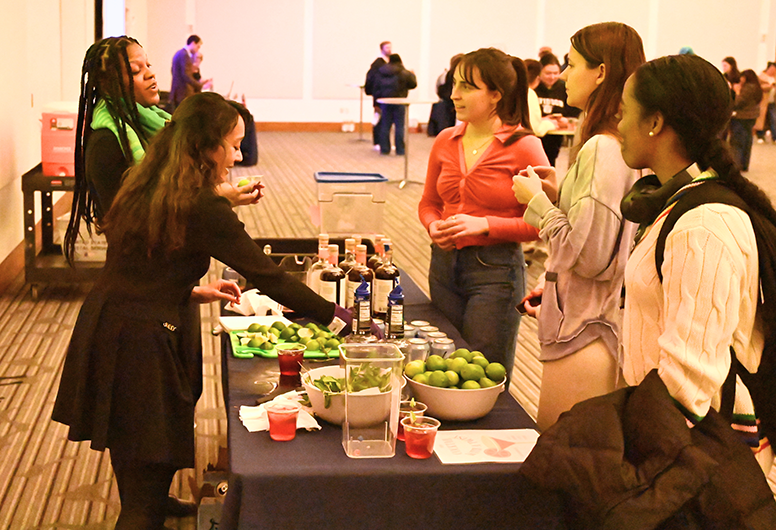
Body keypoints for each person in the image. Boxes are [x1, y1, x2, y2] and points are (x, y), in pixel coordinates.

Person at [52, 92, 355, 529]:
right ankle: (143, 508)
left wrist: (190, 290)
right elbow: (267, 275)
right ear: (206, 145)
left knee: (138, 440)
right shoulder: (200, 202)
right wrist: (336, 317)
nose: (236, 155)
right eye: (232, 145)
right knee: (143, 445)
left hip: (116, 317)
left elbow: (140, 258)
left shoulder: (150, 177)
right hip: (137, 336)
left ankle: (150, 499)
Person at [618, 53, 776, 475]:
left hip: (697, 458)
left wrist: (630, 451)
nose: (617, 125)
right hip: (671, 441)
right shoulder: (678, 204)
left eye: (624, 113)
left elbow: (689, 381)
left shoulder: (703, 224)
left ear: (654, 123)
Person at [512, 22, 645, 431]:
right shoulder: (620, 142)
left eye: (571, 65)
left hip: (588, 328)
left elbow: (587, 257)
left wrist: (536, 203)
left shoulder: (603, 148)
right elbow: (604, 234)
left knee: (561, 460)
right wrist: (561, 196)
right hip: (602, 320)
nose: (564, 75)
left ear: (601, 72)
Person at [418, 48, 556, 381]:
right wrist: (433, 225)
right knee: (443, 368)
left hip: (494, 273)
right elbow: (428, 203)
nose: (454, 95)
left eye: (466, 86)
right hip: (443, 266)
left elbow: (544, 223)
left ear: (495, 95)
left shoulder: (524, 146)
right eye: (454, 84)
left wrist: (485, 226)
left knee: (482, 376)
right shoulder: (445, 141)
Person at [65, 36, 259, 265]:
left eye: (148, 65)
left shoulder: (157, 124)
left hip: (171, 279)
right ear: (111, 83)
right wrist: (214, 198)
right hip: (141, 280)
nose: (150, 74)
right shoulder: (106, 142)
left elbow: (177, 188)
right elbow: (131, 226)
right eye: (136, 71)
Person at [534, 53, 581, 166]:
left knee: (550, 163)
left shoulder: (564, 87)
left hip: (555, 136)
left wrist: (566, 120)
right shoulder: (534, 88)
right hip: (537, 135)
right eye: (548, 73)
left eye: (555, 73)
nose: (552, 77)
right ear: (540, 73)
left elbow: (573, 110)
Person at [371, 54, 417, 155]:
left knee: (385, 125)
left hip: (385, 101)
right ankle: (400, 150)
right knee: (399, 126)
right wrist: (413, 74)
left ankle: (384, 149)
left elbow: (376, 88)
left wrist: (376, 102)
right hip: (399, 101)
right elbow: (413, 84)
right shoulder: (404, 72)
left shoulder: (381, 71)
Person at [729, 69, 763, 172]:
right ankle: (744, 164)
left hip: (742, 117)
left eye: (742, 77)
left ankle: (737, 165)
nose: (741, 79)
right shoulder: (757, 88)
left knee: (738, 142)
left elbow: (738, 102)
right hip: (751, 118)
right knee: (747, 142)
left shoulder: (748, 88)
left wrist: (736, 92)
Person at [170, 35, 212, 110]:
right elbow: (186, 75)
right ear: (193, 43)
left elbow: (172, 70)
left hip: (177, 92)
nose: (197, 50)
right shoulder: (184, 55)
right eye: (198, 46)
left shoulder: (179, 53)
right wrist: (200, 86)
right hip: (182, 93)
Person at [364, 41, 392, 149]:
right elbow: (373, 81)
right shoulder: (378, 64)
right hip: (379, 96)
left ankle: (383, 142)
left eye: (390, 47)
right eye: (387, 48)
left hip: (386, 95)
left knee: (386, 119)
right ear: (382, 49)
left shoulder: (389, 63)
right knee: (379, 119)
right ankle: (377, 142)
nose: (389, 49)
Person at [756, 62, 776, 143]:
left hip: (772, 101)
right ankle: (760, 135)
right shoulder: (762, 77)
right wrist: (769, 86)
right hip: (763, 101)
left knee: (773, 119)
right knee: (761, 119)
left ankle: (774, 136)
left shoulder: (774, 77)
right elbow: (759, 87)